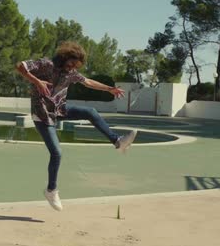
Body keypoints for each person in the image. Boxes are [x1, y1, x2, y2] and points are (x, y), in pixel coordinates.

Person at [16, 41, 137, 211]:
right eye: (71, 63)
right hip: (42, 115)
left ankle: (117, 141)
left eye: (76, 66)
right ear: (65, 57)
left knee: (91, 112)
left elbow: (87, 82)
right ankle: (51, 190)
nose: (72, 68)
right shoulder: (46, 64)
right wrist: (37, 81)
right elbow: (21, 66)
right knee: (57, 153)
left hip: (59, 109)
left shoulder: (71, 73)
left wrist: (110, 89)